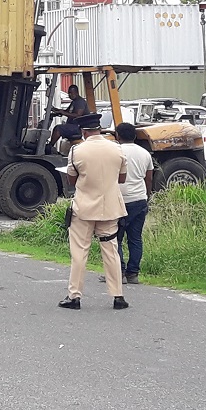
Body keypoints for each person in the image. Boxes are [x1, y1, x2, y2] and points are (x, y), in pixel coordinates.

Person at [59, 113, 129, 311]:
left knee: (80, 252)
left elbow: (71, 180)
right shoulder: (117, 149)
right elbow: (122, 178)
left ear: (83, 131)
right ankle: (118, 296)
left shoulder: (77, 151)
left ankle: (74, 296)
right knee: (111, 251)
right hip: (110, 208)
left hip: (84, 208)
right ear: (100, 128)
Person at [114, 122, 155, 284]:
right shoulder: (145, 153)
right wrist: (147, 196)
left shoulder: (115, 152)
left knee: (115, 238)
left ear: (118, 135)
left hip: (119, 200)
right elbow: (149, 177)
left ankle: (119, 272)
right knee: (135, 238)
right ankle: (133, 274)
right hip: (139, 199)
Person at [46, 85, 90, 153]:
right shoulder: (74, 102)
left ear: (76, 92)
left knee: (58, 128)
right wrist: (56, 110)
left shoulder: (80, 102)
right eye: (68, 93)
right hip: (73, 126)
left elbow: (78, 115)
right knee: (59, 127)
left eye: (71, 93)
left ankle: (49, 147)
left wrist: (63, 112)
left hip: (78, 127)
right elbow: (67, 112)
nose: (69, 95)